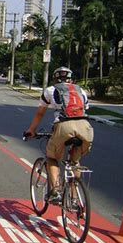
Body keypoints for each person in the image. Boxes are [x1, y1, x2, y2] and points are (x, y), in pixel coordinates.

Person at [25, 66, 94, 204]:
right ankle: (74, 199)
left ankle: (55, 191)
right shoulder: (81, 91)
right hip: (85, 128)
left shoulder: (51, 90)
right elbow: (84, 109)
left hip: (64, 126)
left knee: (51, 157)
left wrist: (31, 130)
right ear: (71, 79)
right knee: (74, 162)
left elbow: (40, 113)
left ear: (55, 79)